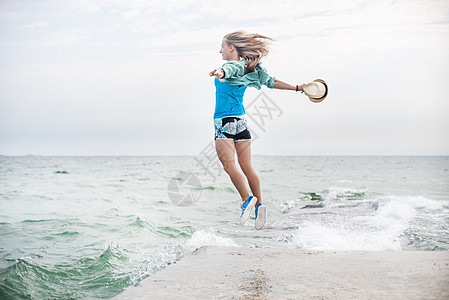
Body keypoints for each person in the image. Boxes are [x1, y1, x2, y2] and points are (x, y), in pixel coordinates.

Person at [209, 30, 306, 230]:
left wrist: (222, 72)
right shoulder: (253, 69)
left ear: (232, 48)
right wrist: (297, 87)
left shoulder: (231, 66)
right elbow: (272, 82)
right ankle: (259, 204)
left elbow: (231, 70)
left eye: (222, 46)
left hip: (224, 122)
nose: (220, 51)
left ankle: (246, 200)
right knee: (248, 166)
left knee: (229, 166)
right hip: (241, 123)